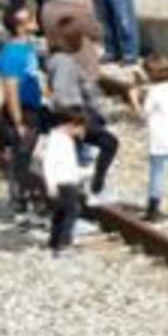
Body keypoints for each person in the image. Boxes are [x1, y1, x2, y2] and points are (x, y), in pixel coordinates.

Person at [44, 17, 118, 204]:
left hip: (68, 115)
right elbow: (62, 95)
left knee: (73, 157)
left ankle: (78, 196)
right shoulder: (64, 63)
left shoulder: (56, 59)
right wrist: (79, 117)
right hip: (73, 114)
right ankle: (95, 189)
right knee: (109, 143)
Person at [132, 53, 168, 222]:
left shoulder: (154, 92)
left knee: (157, 173)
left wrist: (134, 99)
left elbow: (144, 114)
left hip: (159, 139)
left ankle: (153, 208)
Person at [1, 3, 43, 215]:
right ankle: (22, 201)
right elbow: (10, 88)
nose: (35, 20)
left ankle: (24, 198)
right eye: (30, 19)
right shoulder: (13, 53)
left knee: (24, 155)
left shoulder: (27, 46)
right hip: (22, 112)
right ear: (19, 28)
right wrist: (17, 122)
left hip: (32, 109)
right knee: (21, 157)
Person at [40, 107, 88, 255]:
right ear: (71, 125)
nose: (81, 132)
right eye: (80, 128)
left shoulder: (63, 138)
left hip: (67, 180)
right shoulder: (58, 140)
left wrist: (85, 172)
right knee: (72, 211)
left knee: (60, 212)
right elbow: (48, 163)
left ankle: (54, 241)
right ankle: (64, 244)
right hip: (63, 182)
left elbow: (68, 163)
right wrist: (50, 184)